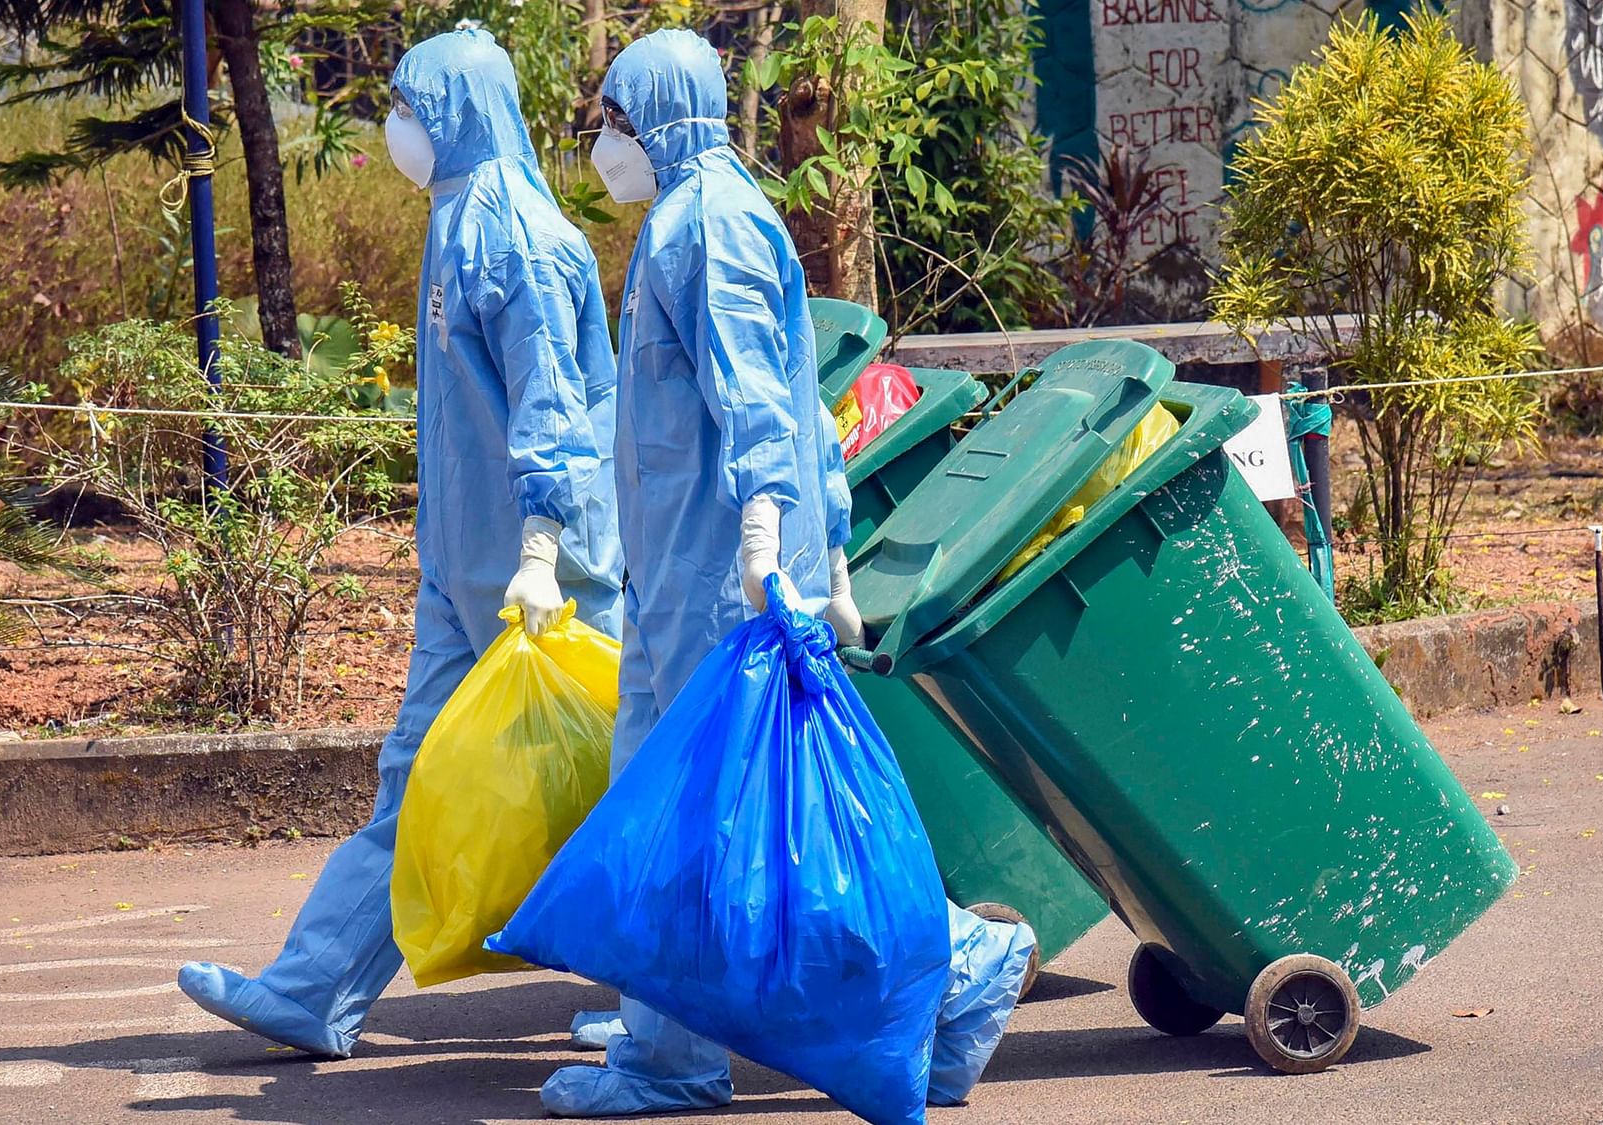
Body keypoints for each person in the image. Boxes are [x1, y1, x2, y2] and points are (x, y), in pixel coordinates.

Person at [540, 28, 1034, 1117]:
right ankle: (670, 1045)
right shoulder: (689, 216)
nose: (603, 144)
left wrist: (770, 539)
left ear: (658, 115)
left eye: (613, 121)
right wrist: (826, 542)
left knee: (748, 824)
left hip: (722, 577)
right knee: (676, 815)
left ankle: (950, 966)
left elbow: (760, 399)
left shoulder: (707, 222)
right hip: (678, 576)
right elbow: (798, 405)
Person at [175, 27, 624, 1059]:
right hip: (467, 572)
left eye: (410, 108)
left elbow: (552, 410)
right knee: (415, 778)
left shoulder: (511, 232)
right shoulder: (460, 215)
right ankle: (312, 987)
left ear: (455, 112)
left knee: (639, 780)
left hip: (541, 573)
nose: (399, 129)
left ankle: (722, 996)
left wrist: (544, 552)